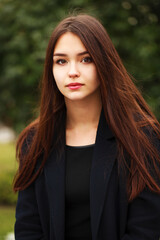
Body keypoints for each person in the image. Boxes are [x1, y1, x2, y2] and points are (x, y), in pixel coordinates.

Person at [13, 14, 160, 240]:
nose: (73, 71)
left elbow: (146, 231)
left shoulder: (142, 137)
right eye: (61, 61)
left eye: (86, 59)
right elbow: (28, 229)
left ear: (104, 64)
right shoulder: (35, 141)